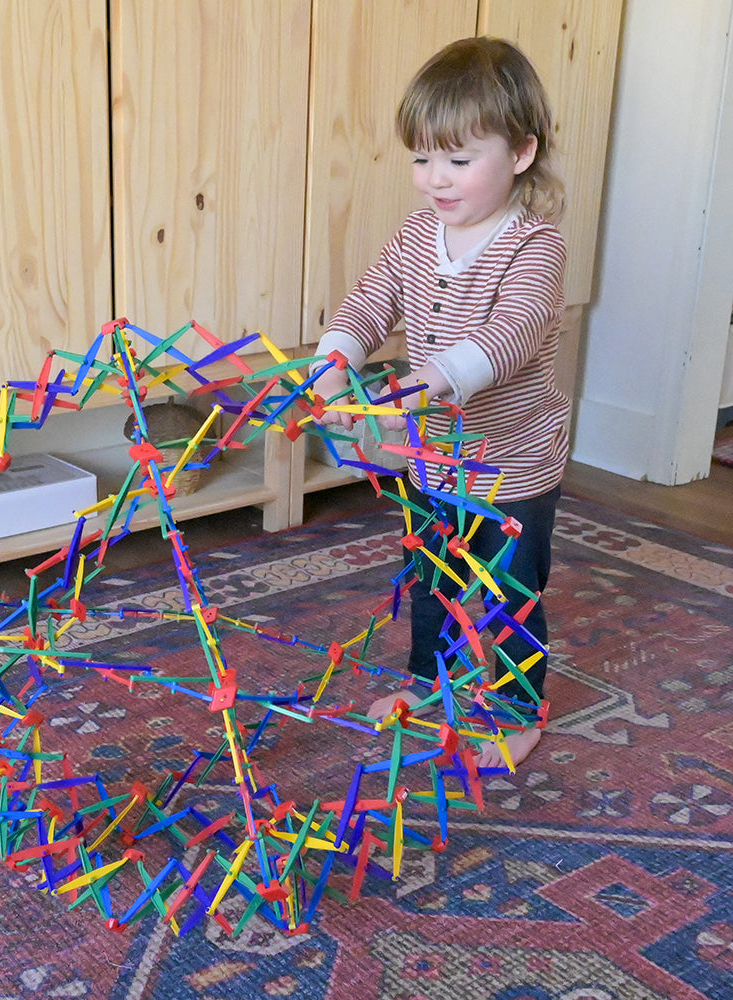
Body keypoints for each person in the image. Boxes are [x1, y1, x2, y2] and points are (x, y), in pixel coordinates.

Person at [312, 36, 569, 768]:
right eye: (422, 158)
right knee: (433, 578)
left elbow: (510, 333)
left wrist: (422, 386)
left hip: (510, 465)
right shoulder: (418, 234)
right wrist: (334, 364)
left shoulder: (535, 246)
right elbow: (371, 301)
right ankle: (434, 680)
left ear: (520, 153)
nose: (435, 179)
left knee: (509, 592)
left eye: (459, 160)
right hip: (431, 460)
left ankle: (519, 711)